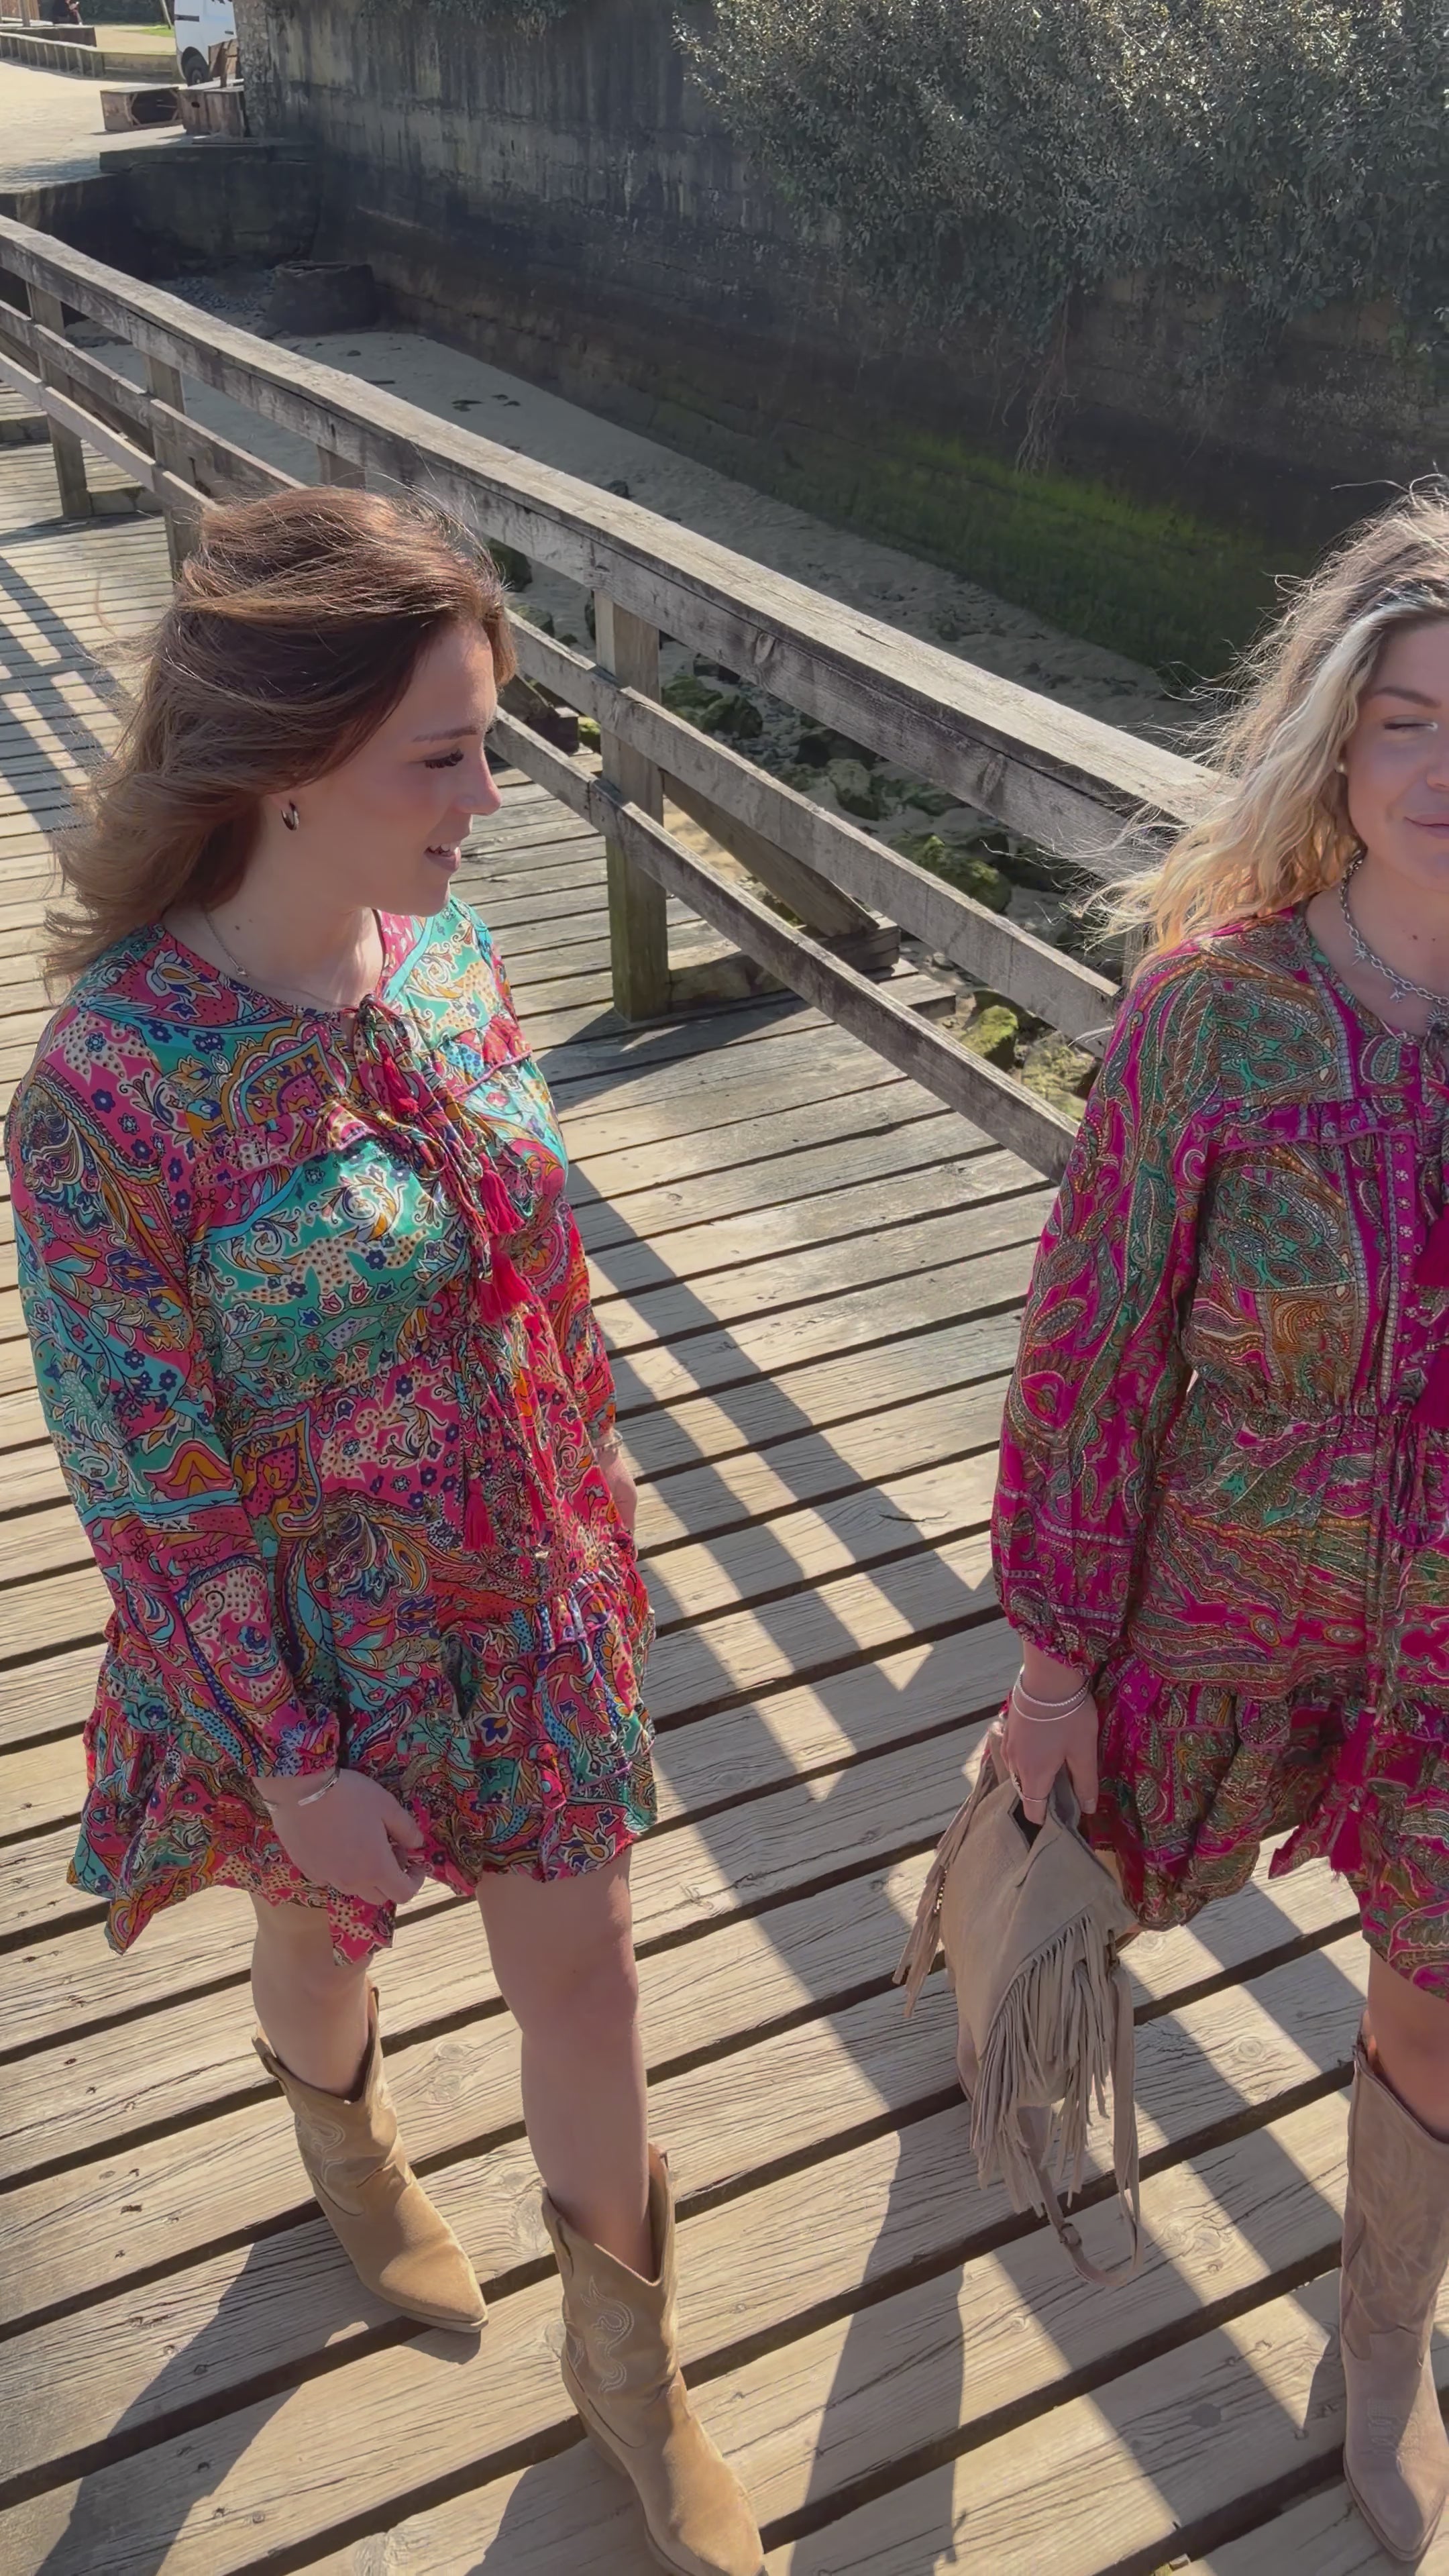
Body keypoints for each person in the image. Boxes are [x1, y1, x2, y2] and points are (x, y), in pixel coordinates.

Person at [5, 488, 762, 2576]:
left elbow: (545, 1287)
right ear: (288, 765)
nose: (489, 800)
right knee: (321, 1944)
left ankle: (632, 2379)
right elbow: (139, 1477)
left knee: (588, 1984)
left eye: (489, 743)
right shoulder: (109, 1087)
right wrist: (286, 1762)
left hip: (530, 1604)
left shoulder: (456, 959)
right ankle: (339, 2144)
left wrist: (603, 1532)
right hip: (311, 1660)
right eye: (445, 756)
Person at [993, 490, 1449, 2567]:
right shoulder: (1211, 1014)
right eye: (1410, 721)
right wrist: (1053, 1658)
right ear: (1339, 744)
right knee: (1083, 1865)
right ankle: (987, 1899)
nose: (1444, 772)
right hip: (1219, 1596)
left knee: (1434, 1993)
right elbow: (1091, 1350)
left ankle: (1382, 2352)